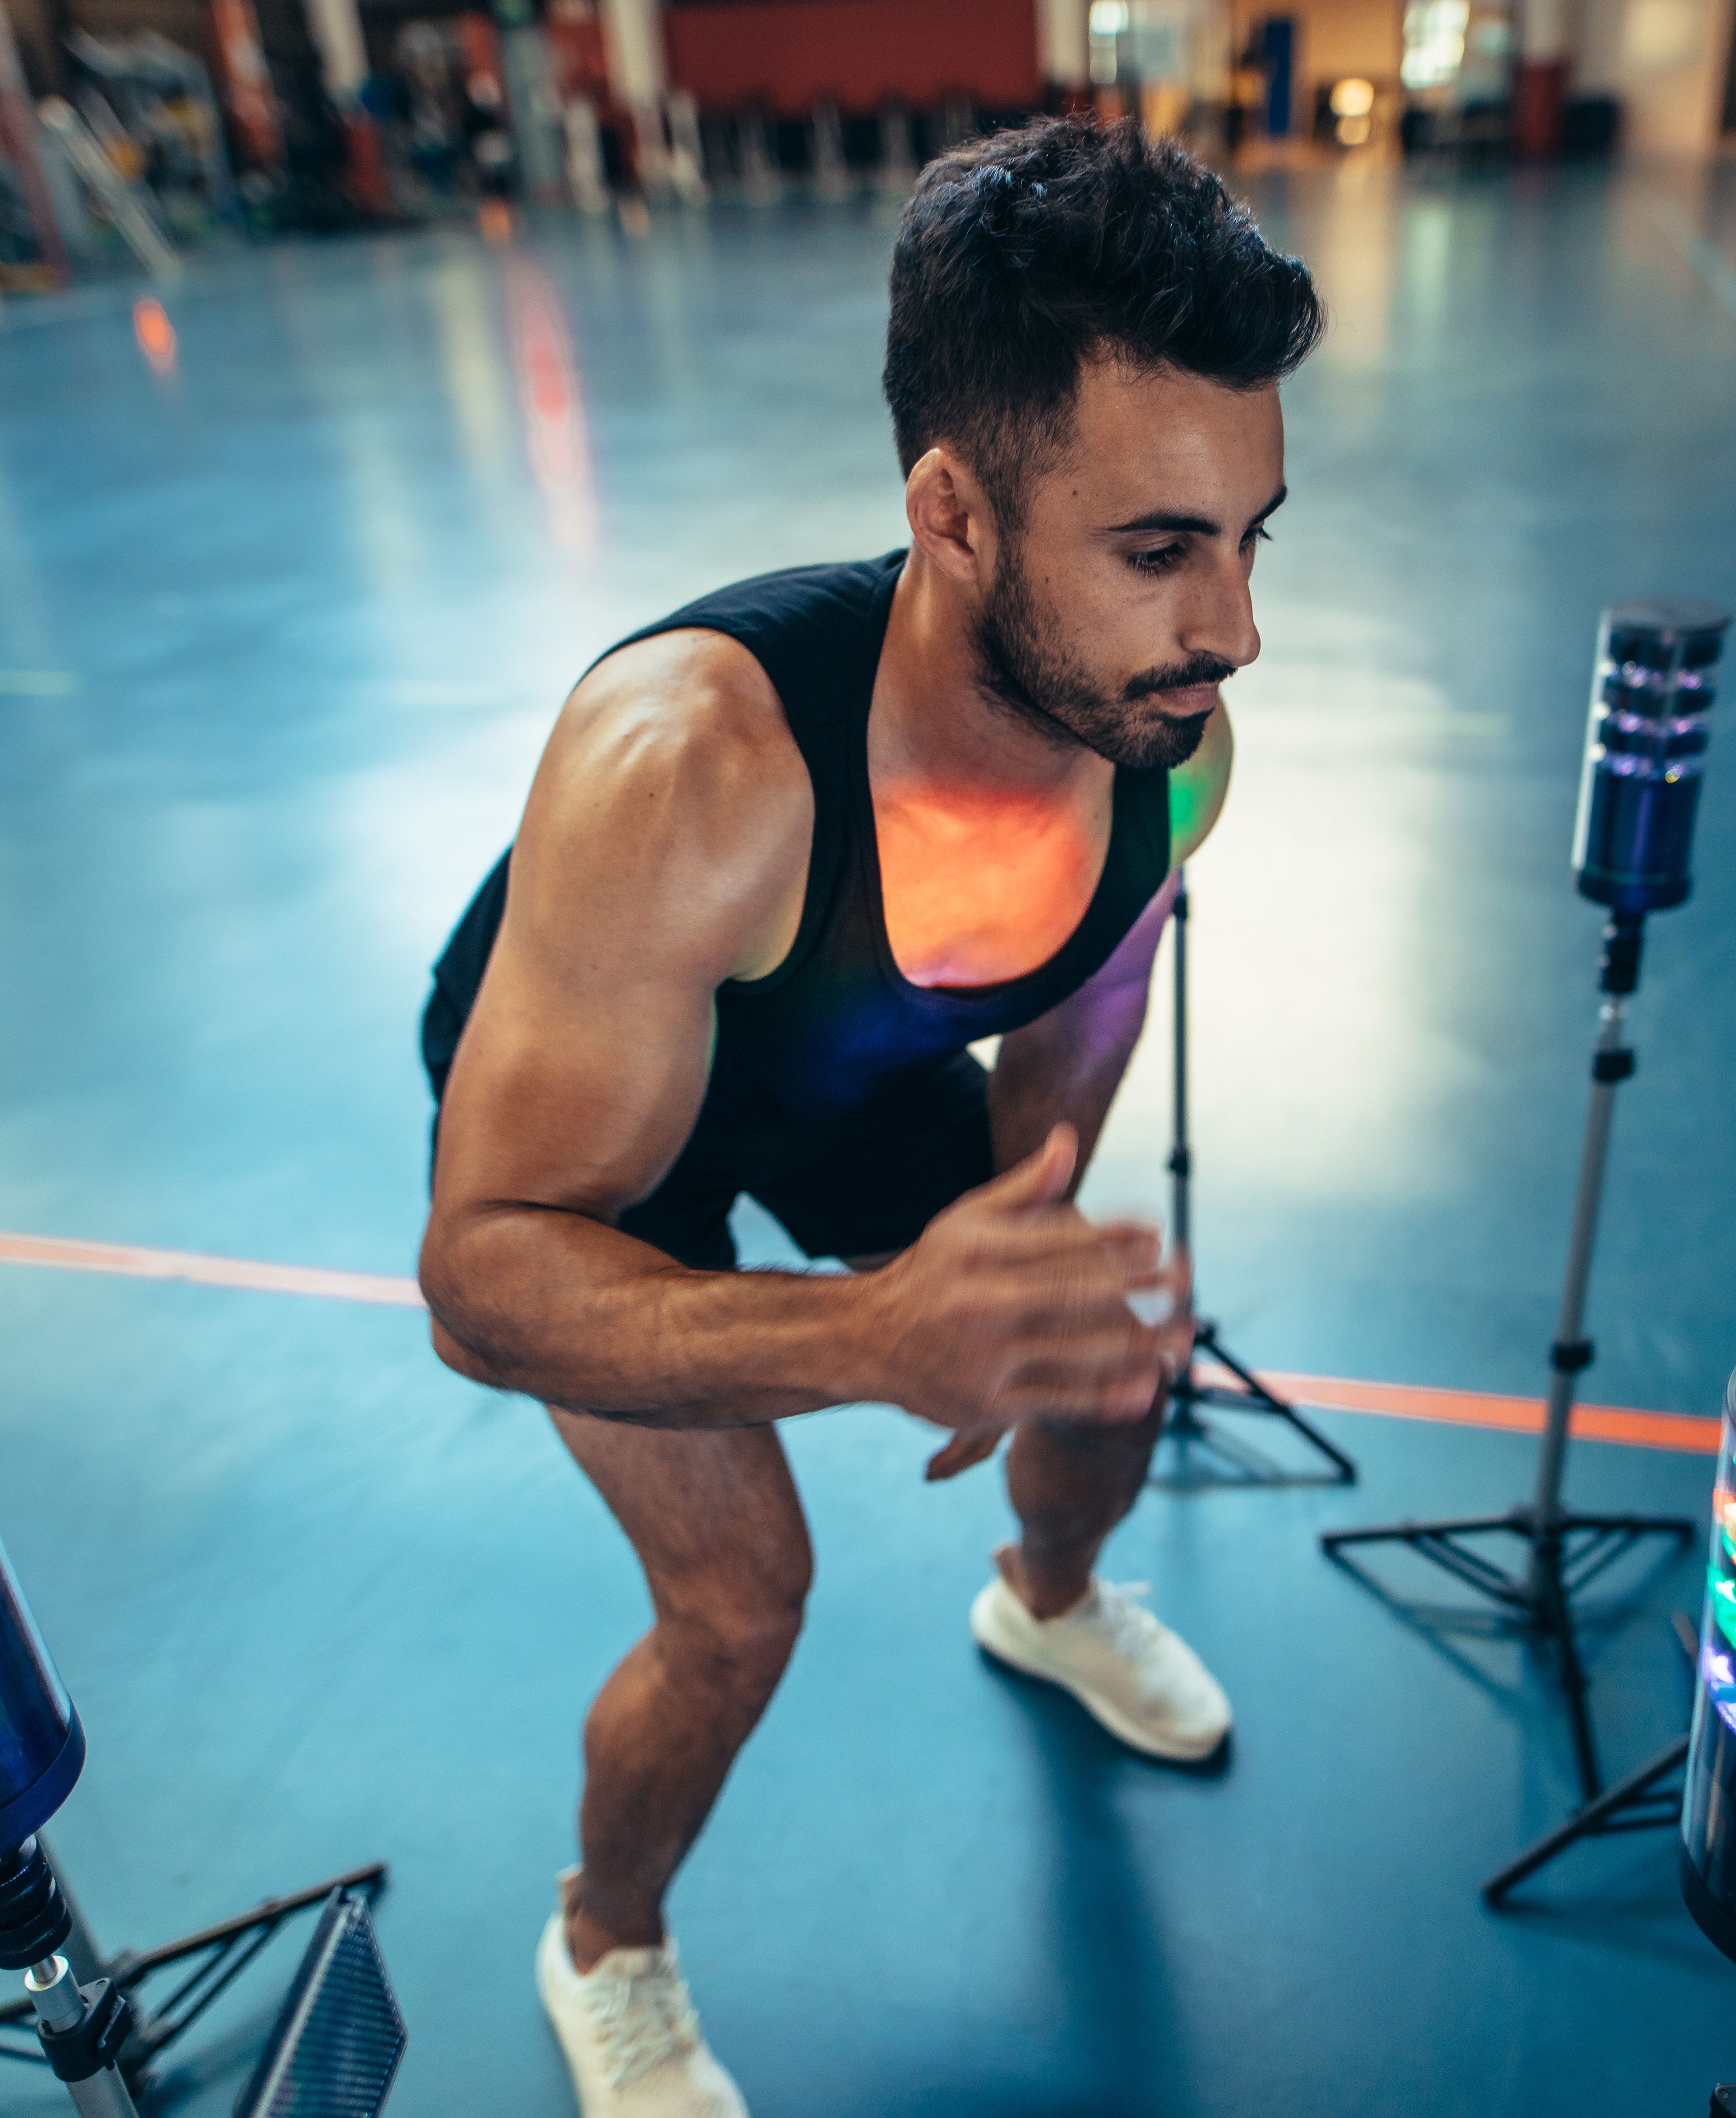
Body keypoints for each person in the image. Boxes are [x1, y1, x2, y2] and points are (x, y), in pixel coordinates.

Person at [416, 117, 1321, 2118]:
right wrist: (867, 1336)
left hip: (852, 1060)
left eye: (1255, 537)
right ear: (959, 513)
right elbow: (479, 1284)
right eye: (1163, 549)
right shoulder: (689, 773)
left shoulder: (1163, 741)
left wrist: (1025, 1274)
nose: (1234, 626)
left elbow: (1086, 1004)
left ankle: (1053, 1603)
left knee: (1108, 1378)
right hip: (599, 1151)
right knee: (742, 1606)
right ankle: (605, 1941)